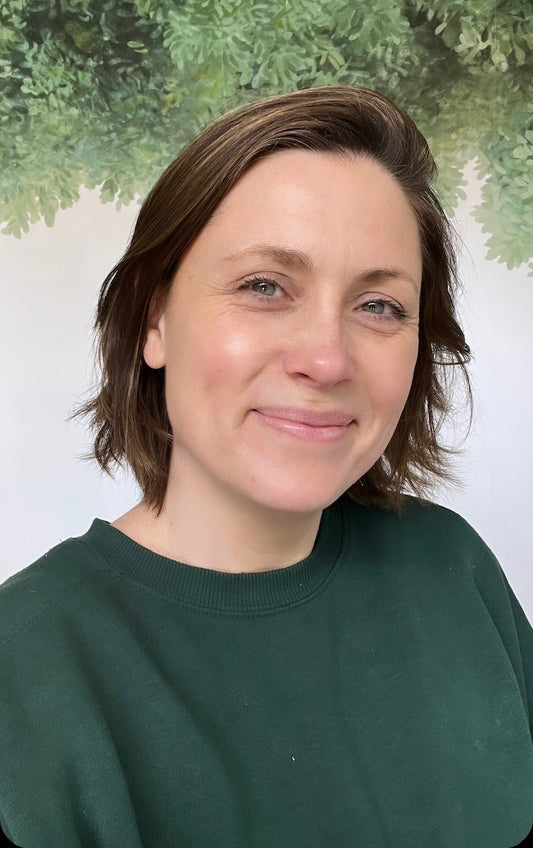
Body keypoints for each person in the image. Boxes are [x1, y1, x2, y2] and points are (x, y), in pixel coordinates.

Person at [1, 86, 531, 848]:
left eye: (379, 305)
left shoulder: (450, 567)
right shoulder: (25, 669)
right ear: (154, 320)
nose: (325, 358)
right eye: (263, 286)